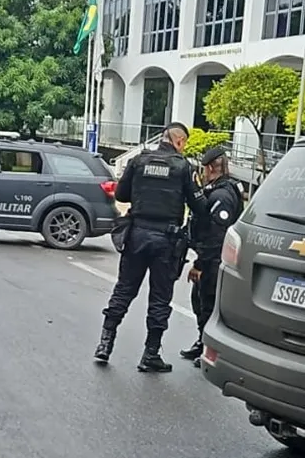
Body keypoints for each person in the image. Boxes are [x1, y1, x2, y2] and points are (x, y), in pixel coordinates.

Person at [93, 123, 207, 372]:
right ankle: (150, 354)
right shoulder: (183, 167)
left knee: (124, 289)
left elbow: (121, 195)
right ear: (179, 141)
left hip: (137, 235)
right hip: (166, 242)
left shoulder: (139, 161)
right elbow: (199, 207)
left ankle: (104, 345)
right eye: (184, 143)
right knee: (160, 298)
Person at [179, 146, 244, 366]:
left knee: (208, 305)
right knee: (199, 301)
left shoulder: (221, 195)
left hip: (214, 260)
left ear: (208, 168)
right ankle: (202, 341)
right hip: (211, 258)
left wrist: (199, 264)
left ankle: (210, 350)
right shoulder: (218, 189)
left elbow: (216, 236)